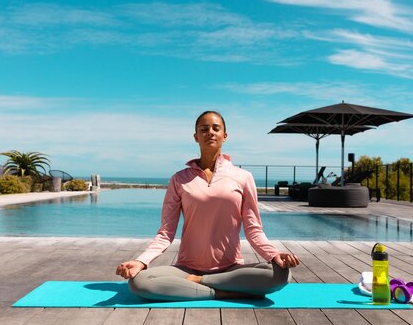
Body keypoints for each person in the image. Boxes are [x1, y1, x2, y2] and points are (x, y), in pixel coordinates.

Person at [115, 110, 300, 301]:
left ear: (224, 136)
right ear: (196, 137)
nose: (210, 132)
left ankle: (197, 283)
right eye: (204, 129)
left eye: (215, 128)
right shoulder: (179, 179)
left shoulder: (243, 177)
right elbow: (166, 233)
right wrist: (141, 261)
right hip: (186, 268)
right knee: (139, 282)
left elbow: (254, 230)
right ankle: (221, 292)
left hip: (230, 268)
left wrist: (274, 254)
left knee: (281, 274)